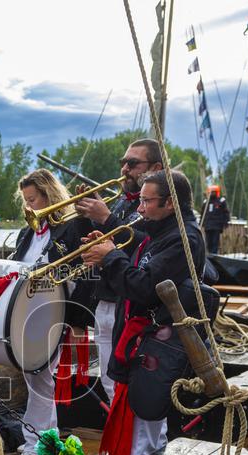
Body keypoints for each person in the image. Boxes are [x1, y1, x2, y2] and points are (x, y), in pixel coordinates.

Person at [80, 170, 206, 455]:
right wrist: (111, 245)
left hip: (159, 347)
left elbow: (145, 287)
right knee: (139, 424)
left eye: (146, 201)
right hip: (144, 341)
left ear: (170, 204)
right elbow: (142, 258)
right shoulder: (163, 233)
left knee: (145, 424)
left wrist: (110, 257)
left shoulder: (184, 240)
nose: (139, 208)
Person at [8, 169, 94, 455]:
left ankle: (35, 445)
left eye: (33, 199)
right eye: (26, 201)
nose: (29, 207)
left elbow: (84, 274)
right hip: (29, 310)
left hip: (55, 310)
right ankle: (48, 436)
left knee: (40, 377)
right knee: (36, 378)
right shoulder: (27, 231)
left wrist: (79, 320)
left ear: (48, 195)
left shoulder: (72, 227)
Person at [72, 138, 162, 403]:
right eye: (123, 162)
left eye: (132, 163)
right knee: (108, 379)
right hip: (106, 296)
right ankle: (119, 436)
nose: (124, 168)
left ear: (155, 167)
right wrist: (85, 217)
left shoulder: (156, 207)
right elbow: (101, 240)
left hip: (132, 302)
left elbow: (148, 242)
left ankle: (134, 441)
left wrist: (106, 218)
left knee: (129, 380)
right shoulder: (122, 202)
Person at [201, 185, 230, 254]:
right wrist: (201, 223)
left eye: (214, 192)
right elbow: (202, 213)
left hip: (217, 225)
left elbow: (226, 212)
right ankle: (209, 255)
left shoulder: (221, 201)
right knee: (208, 242)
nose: (212, 194)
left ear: (217, 192)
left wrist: (226, 222)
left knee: (215, 242)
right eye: (211, 192)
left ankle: (213, 255)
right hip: (208, 226)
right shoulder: (206, 202)